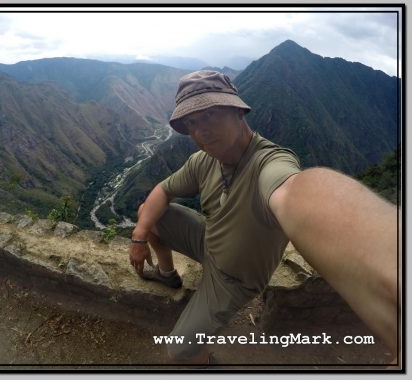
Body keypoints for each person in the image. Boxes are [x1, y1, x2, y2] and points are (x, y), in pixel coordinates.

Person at [129, 70, 399, 365]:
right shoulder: (204, 160)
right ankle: (168, 275)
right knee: (148, 213)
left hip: (234, 277)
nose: (199, 131)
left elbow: (294, 192)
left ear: (238, 110)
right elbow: (162, 190)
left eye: (210, 115)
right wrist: (139, 237)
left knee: (179, 350)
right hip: (210, 242)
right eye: (192, 123)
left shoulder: (270, 162)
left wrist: (389, 261)